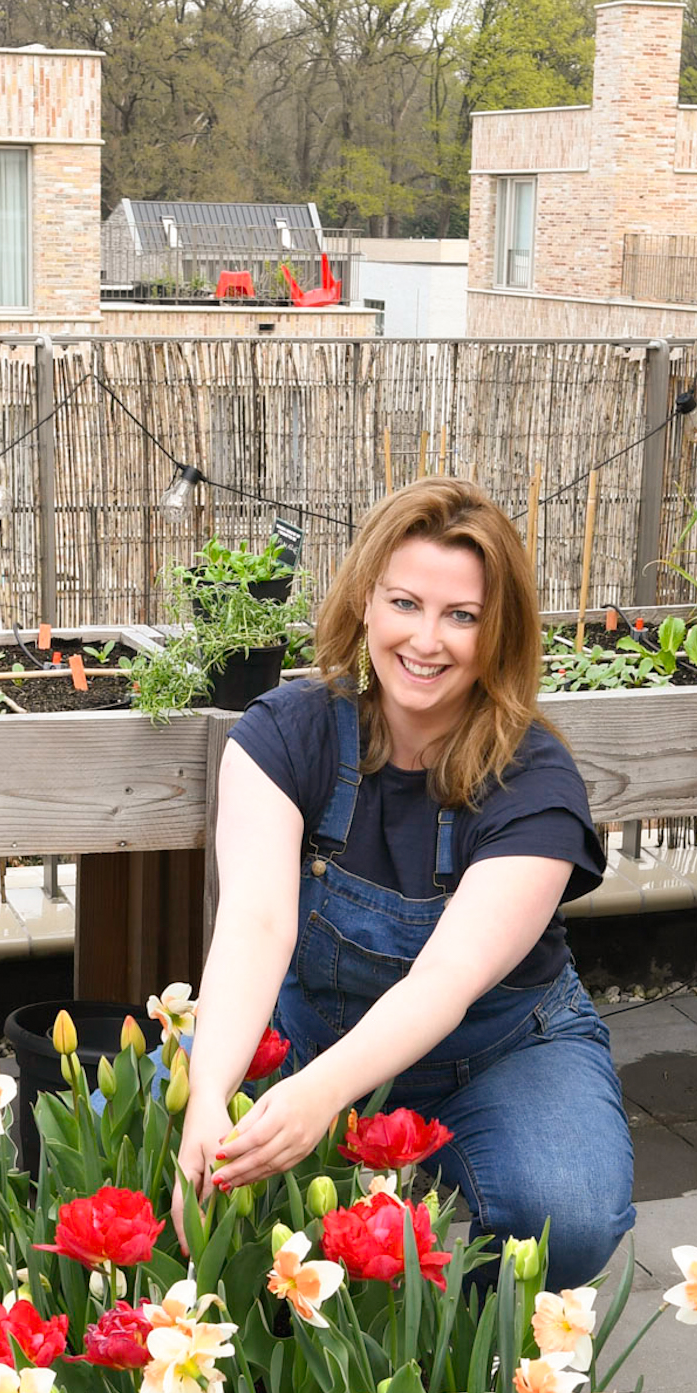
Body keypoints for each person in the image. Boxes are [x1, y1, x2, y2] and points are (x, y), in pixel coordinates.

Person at [176, 477, 635, 1290]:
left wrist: (318, 1098)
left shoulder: (536, 781)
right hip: (310, 1025)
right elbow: (254, 924)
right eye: (405, 602)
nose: (428, 639)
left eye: (462, 616)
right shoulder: (287, 733)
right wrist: (209, 1093)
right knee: (157, 1130)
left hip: (494, 1051)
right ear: (363, 603)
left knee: (570, 1212)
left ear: (499, 634)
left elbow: (445, 983)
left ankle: (482, 1361)